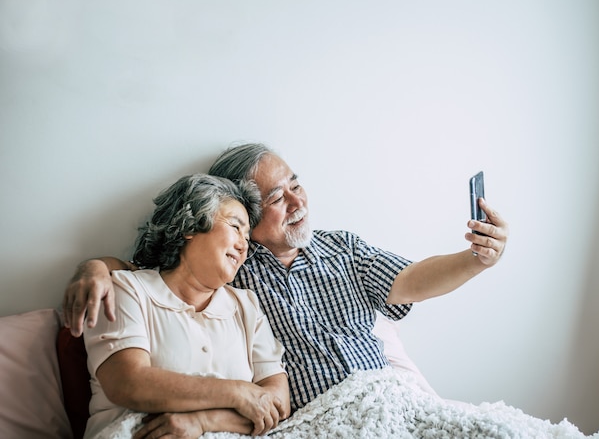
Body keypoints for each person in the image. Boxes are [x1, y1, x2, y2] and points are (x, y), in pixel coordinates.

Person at [64, 143, 508, 416]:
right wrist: (95, 267)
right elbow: (158, 271)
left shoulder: (343, 247)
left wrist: (475, 259)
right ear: (247, 219)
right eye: (277, 197)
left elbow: (411, 279)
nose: (297, 200)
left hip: (389, 396)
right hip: (318, 418)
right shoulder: (233, 267)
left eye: (296, 184)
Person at [81, 173, 290, 439]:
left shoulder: (246, 305)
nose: (242, 246)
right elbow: (126, 383)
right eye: (235, 227)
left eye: (247, 238)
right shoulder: (127, 290)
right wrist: (238, 392)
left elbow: (277, 404)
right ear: (190, 226)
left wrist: (204, 421)